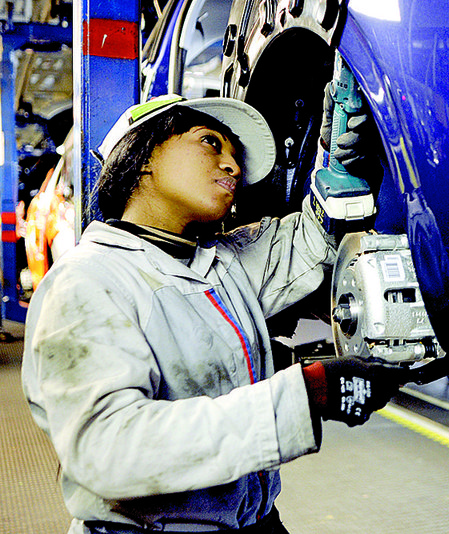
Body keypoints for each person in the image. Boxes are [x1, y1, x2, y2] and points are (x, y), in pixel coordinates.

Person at [21, 94, 409, 533]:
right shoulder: (88, 281)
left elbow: (310, 240)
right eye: (210, 142)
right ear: (142, 155)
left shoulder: (222, 263)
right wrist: (309, 392)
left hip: (257, 524)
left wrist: (340, 168)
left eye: (235, 155)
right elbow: (108, 448)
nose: (234, 166)